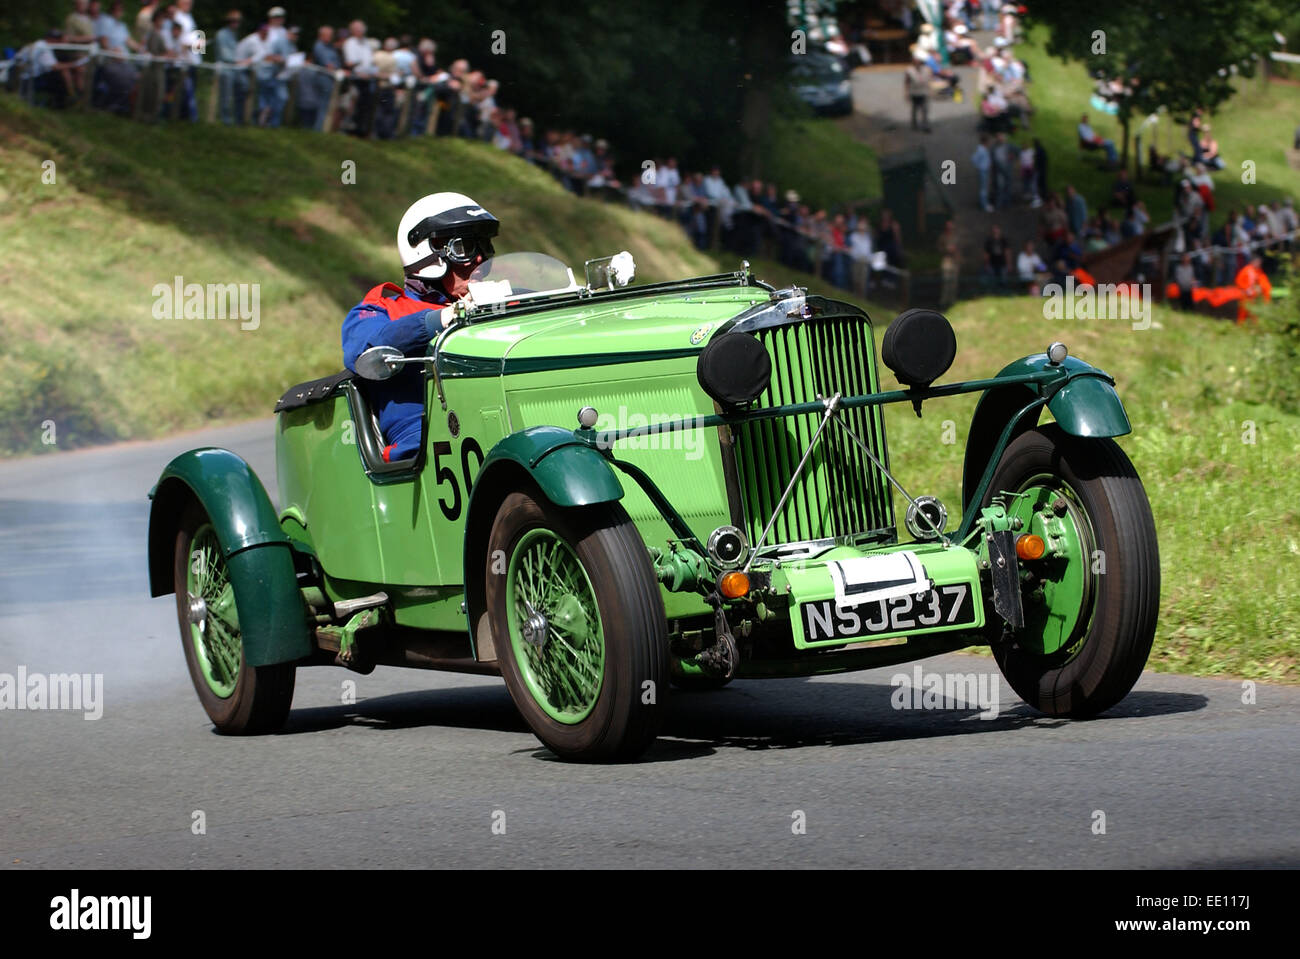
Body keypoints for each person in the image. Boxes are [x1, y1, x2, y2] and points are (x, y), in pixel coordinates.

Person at [342, 193, 499, 462]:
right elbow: (366, 347)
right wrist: (445, 317)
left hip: (495, 418)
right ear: (427, 255)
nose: (479, 259)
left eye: (484, 246)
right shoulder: (380, 310)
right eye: (464, 247)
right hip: (425, 441)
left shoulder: (499, 300)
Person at [904, 53, 931, 133]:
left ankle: (925, 125)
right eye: (915, 61)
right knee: (915, 109)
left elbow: (929, 80)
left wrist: (930, 90)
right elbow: (907, 82)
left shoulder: (926, 69)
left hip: (923, 92)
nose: (917, 63)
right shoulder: (909, 70)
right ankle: (914, 124)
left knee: (925, 109)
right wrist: (906, 92)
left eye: (918, 61)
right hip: (914, 93)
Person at [971, 135, 993, 212]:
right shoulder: (981, 150)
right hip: (983, 170)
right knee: (984, 188)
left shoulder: (984, 149)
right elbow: (974, 159)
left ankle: (984, 203)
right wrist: (979, 166)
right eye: (988, 142)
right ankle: (984, 204)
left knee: (985, 187)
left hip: (985, 170)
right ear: (985, 142)